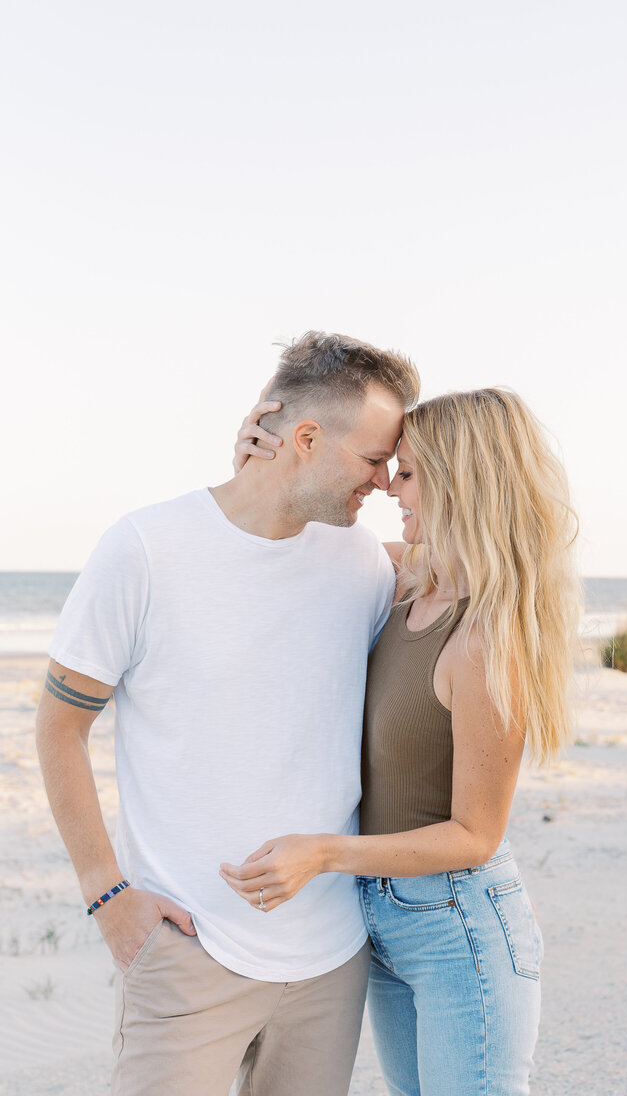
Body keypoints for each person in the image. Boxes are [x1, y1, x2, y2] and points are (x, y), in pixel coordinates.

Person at [35, 331, 420, 1096]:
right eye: (375, 459)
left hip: (331, 960)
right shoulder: (147, 548)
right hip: (186, 951)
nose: (383, 482)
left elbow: (476, 572)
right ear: (305, 437)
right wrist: (108, 897)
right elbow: (59, 726)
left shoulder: (364, 564)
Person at [226, 386, 581, 1095]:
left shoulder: (485, 640)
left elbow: (475, 835)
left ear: (462, 483)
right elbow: (288, 541)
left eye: (410, 473)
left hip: (458, 928)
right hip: (385, 921)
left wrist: (322, 853)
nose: (390, 487)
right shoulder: (404, 583)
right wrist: (251, 465)